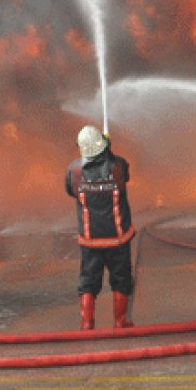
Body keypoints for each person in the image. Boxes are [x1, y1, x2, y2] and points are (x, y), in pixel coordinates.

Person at [65, 125, 136, 330]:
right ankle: (120, 321)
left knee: (88, 281)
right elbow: (125, 175)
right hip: (118, 239)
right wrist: (109, 152)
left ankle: (87, 323)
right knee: (121, 279)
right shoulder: (118, 167)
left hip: (90, 241)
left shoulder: (74, 171)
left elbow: (71, 191)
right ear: (102, 145)